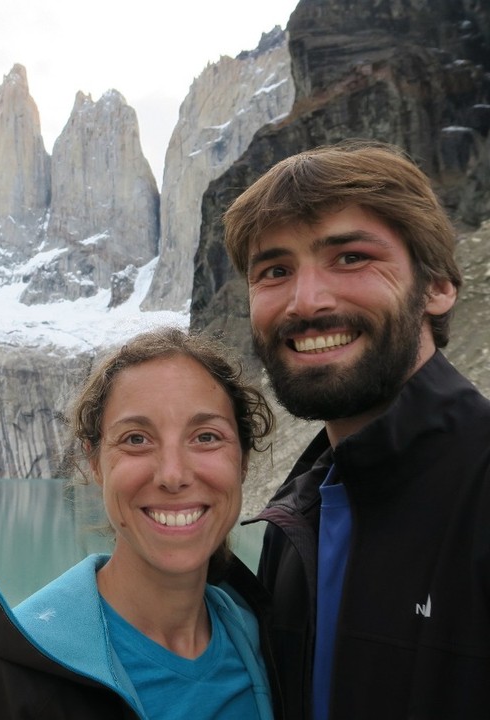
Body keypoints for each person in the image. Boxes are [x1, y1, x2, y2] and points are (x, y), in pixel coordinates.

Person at [222, 139, 490, 720]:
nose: (307, 301)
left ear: (439, 287)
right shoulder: (296, 522)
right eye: (274, 271)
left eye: (350, 258)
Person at [0, 327, 278, 719]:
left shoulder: (271, 640)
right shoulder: (13, 671)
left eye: (206, 436)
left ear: (242, 459)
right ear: (95, 463)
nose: (173, 474)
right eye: (136, 439)